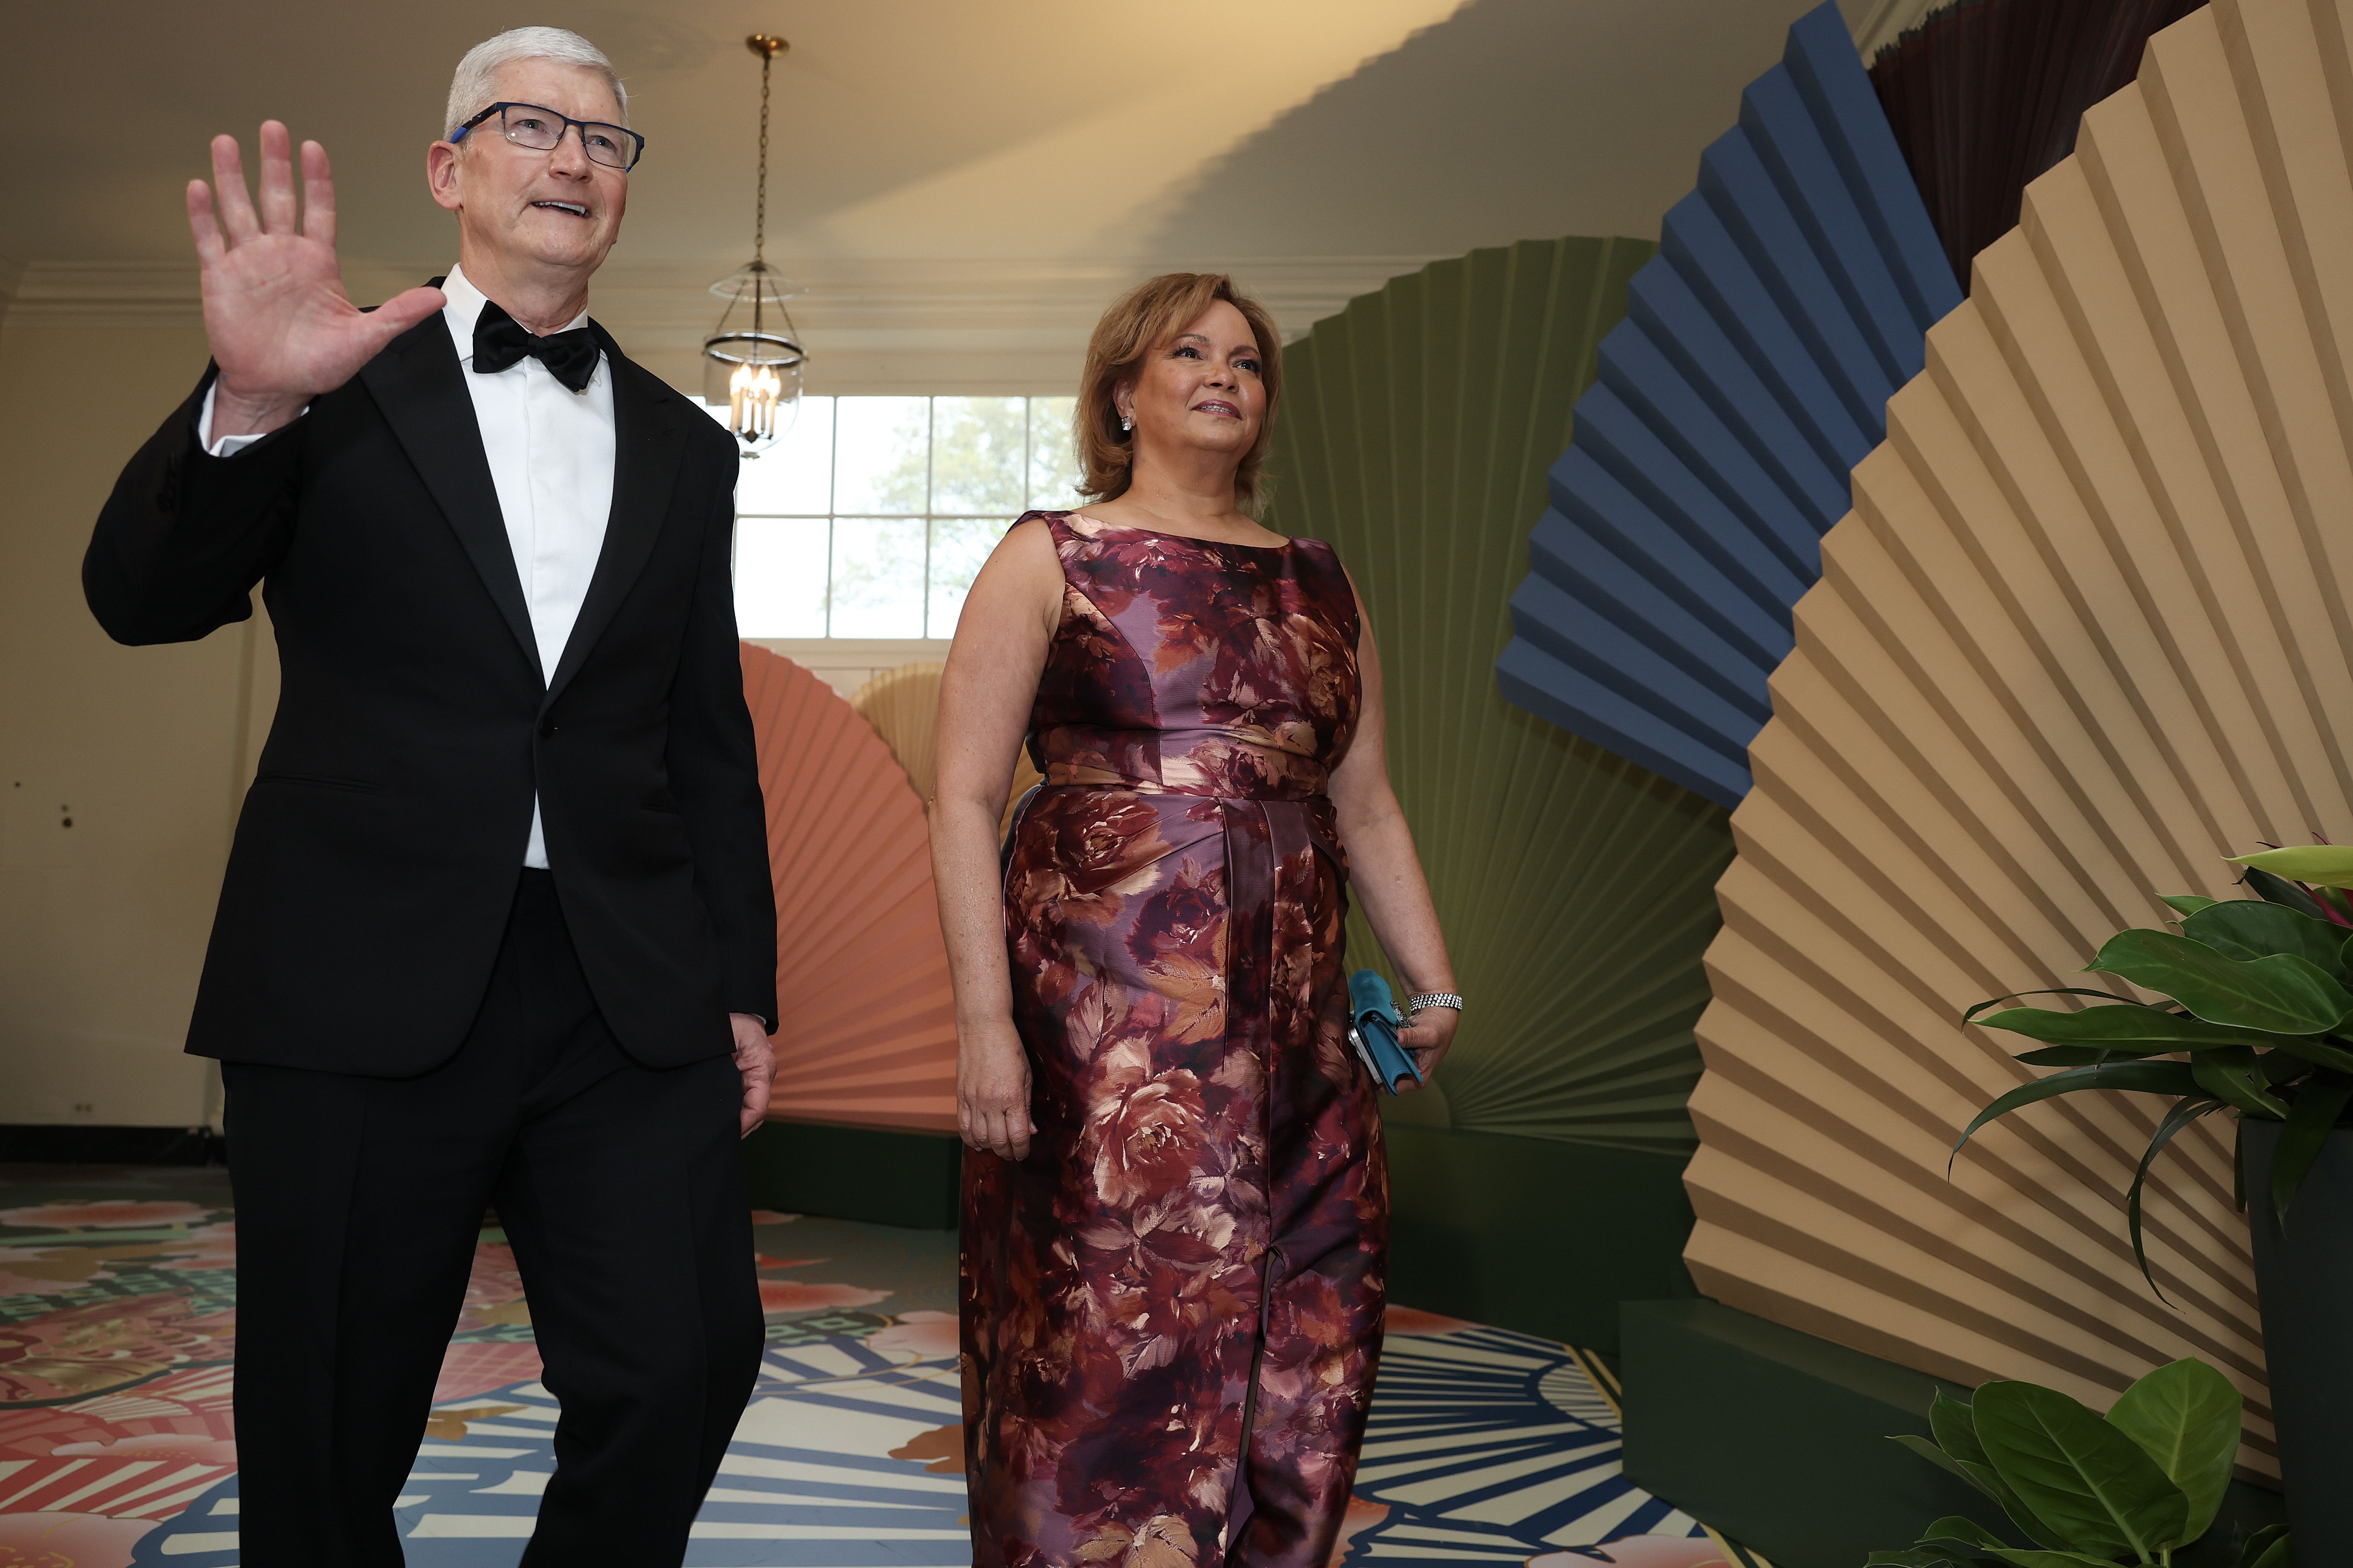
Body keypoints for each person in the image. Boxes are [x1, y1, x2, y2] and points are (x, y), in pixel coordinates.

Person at [82, 28, 777, 1567]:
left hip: (626, 990)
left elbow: (705, 738)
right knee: (325, 1423)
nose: (575, 159)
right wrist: (247, 406)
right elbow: (138, 601)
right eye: (532, 127)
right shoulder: (328, 377)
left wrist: (745, 987)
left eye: (606, 140)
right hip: (350, 979)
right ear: (449, 171)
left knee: (687, 1364)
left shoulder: (683, 444)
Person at [930, 273, 1463, 1568]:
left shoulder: (1319, 582)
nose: (1226, 374)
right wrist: (985, 1027)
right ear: (1124, 393)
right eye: (1190, 352)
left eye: (1247, 360)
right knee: (1110, 1318)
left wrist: (1433, 986)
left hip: (1300, 1029)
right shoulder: (1048, 553)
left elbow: (1368, 804)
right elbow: (958, 796)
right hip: (1101, 1024)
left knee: (1313, 1310)